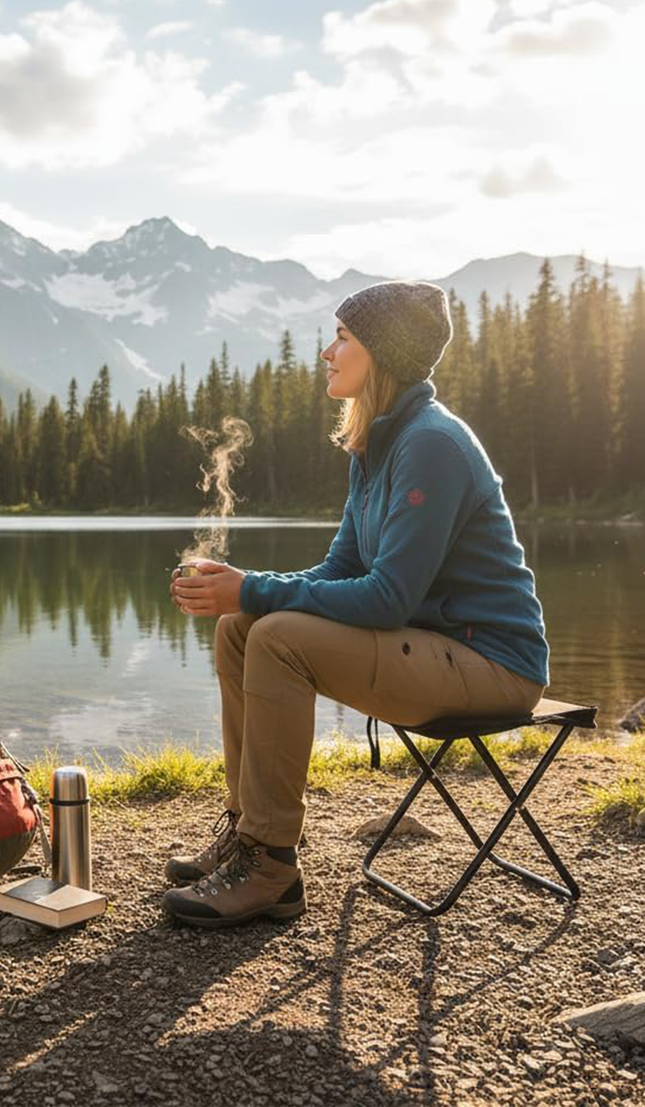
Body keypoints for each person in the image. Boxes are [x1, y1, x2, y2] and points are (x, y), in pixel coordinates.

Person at [163, 280, 548, 928]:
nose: (328, 351)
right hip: (439, 650)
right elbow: (340, 571)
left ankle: (271, 867)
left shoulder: (431, 444)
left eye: (343, 336)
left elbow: (389, 597)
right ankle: (247, 832)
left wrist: (252, 588)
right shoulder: (377, 442)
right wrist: (242, 587)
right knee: (240, 627)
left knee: (276, 635)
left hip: (494, 665)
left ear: (382, 353)